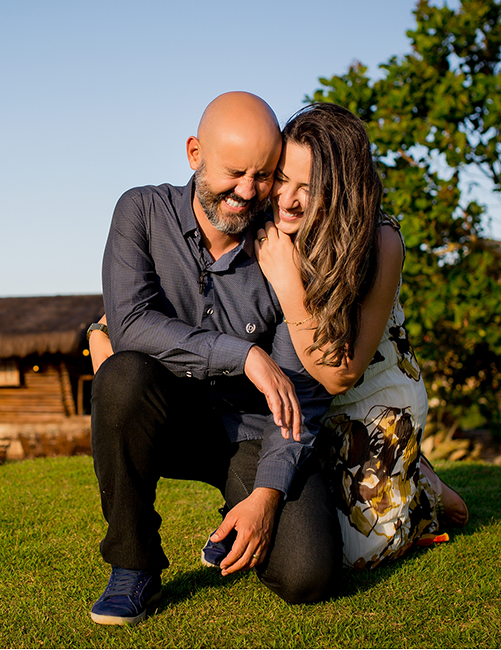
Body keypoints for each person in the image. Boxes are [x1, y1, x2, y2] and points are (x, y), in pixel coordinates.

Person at [88, 92, 341, 626]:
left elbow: (300, 388)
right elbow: (130, 325)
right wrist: (242, 353)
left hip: (250, 430)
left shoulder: (286, 249)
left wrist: (267, 496)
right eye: (234, 172)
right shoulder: (140, 211)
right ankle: (134, 566)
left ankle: (239, 507)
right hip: (167, 423)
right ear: (194, 152)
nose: (248, 192)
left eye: (265, 175)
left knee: (308, 574)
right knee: (120, 375)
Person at [255, 102, 469, 569]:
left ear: (338, 189)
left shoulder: (380, 240)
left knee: (359, 554)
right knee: (310, 536)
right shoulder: (268, 222)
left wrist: (290, 285)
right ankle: (409, 472)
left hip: (373, 392)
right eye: (281, 178)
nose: (286, 199)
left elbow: (342, 375)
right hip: (310, 403)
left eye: (306, 189)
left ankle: (422, 493)